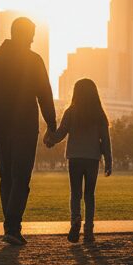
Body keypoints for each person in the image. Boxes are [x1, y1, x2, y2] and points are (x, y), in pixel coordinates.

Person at [0, 16, 56, 246]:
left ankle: (10, 226)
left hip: (0, 125)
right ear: (22, 33)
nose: (32, 38)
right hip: (25, 125)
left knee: (7, 175)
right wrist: (51, 124)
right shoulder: (33, 60)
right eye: (31, 33)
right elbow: (45, 94)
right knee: (21, 176)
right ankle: (12, 226)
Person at [44, 78, 112, 242]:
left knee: (75, 193)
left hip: (75, 157)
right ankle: (89, 230)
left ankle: (75, 220)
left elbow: (61, 133)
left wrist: (50, 139)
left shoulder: (71, 112)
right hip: (92, 158)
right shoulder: (99, 115)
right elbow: (105, 139)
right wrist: (108, 161)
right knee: (89, 194)